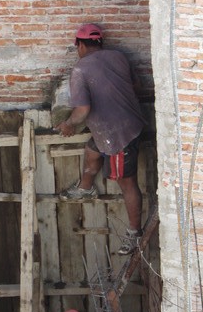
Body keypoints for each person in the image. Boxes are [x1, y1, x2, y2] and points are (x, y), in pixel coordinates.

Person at [56, 23, 145, 255]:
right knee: (93, 150)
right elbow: (137, 86)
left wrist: (69, 124)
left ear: (81, 45)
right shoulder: (118, 57)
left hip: (117, 136)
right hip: (129, 123)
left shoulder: (80, 70)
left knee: (127, 183)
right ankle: (86, 188)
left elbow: (82, 110)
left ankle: (135, 234)